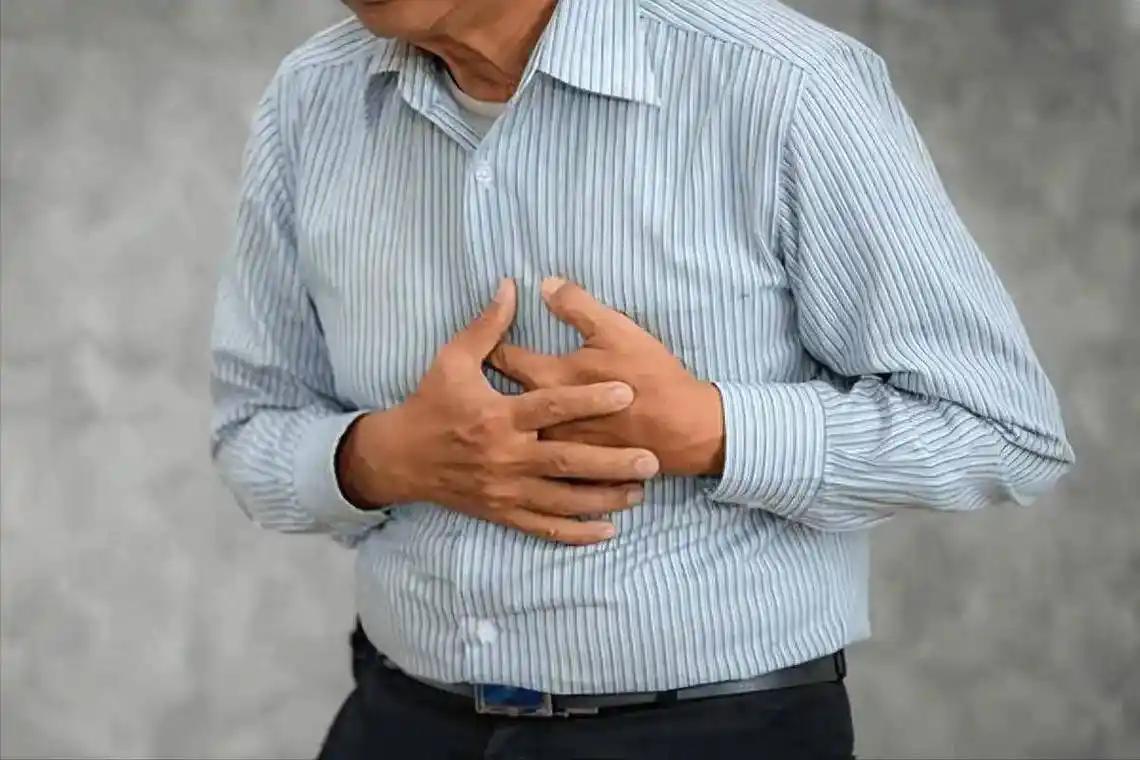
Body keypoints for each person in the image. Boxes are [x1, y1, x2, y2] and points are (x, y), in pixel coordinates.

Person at [209, 0, 1075, 757]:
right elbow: (251, 429)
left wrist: (714, 432)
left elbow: (1002, 431)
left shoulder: (785, 84)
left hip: (714, 736)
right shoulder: (308, 99)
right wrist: (385, 458)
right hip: (401, 720)